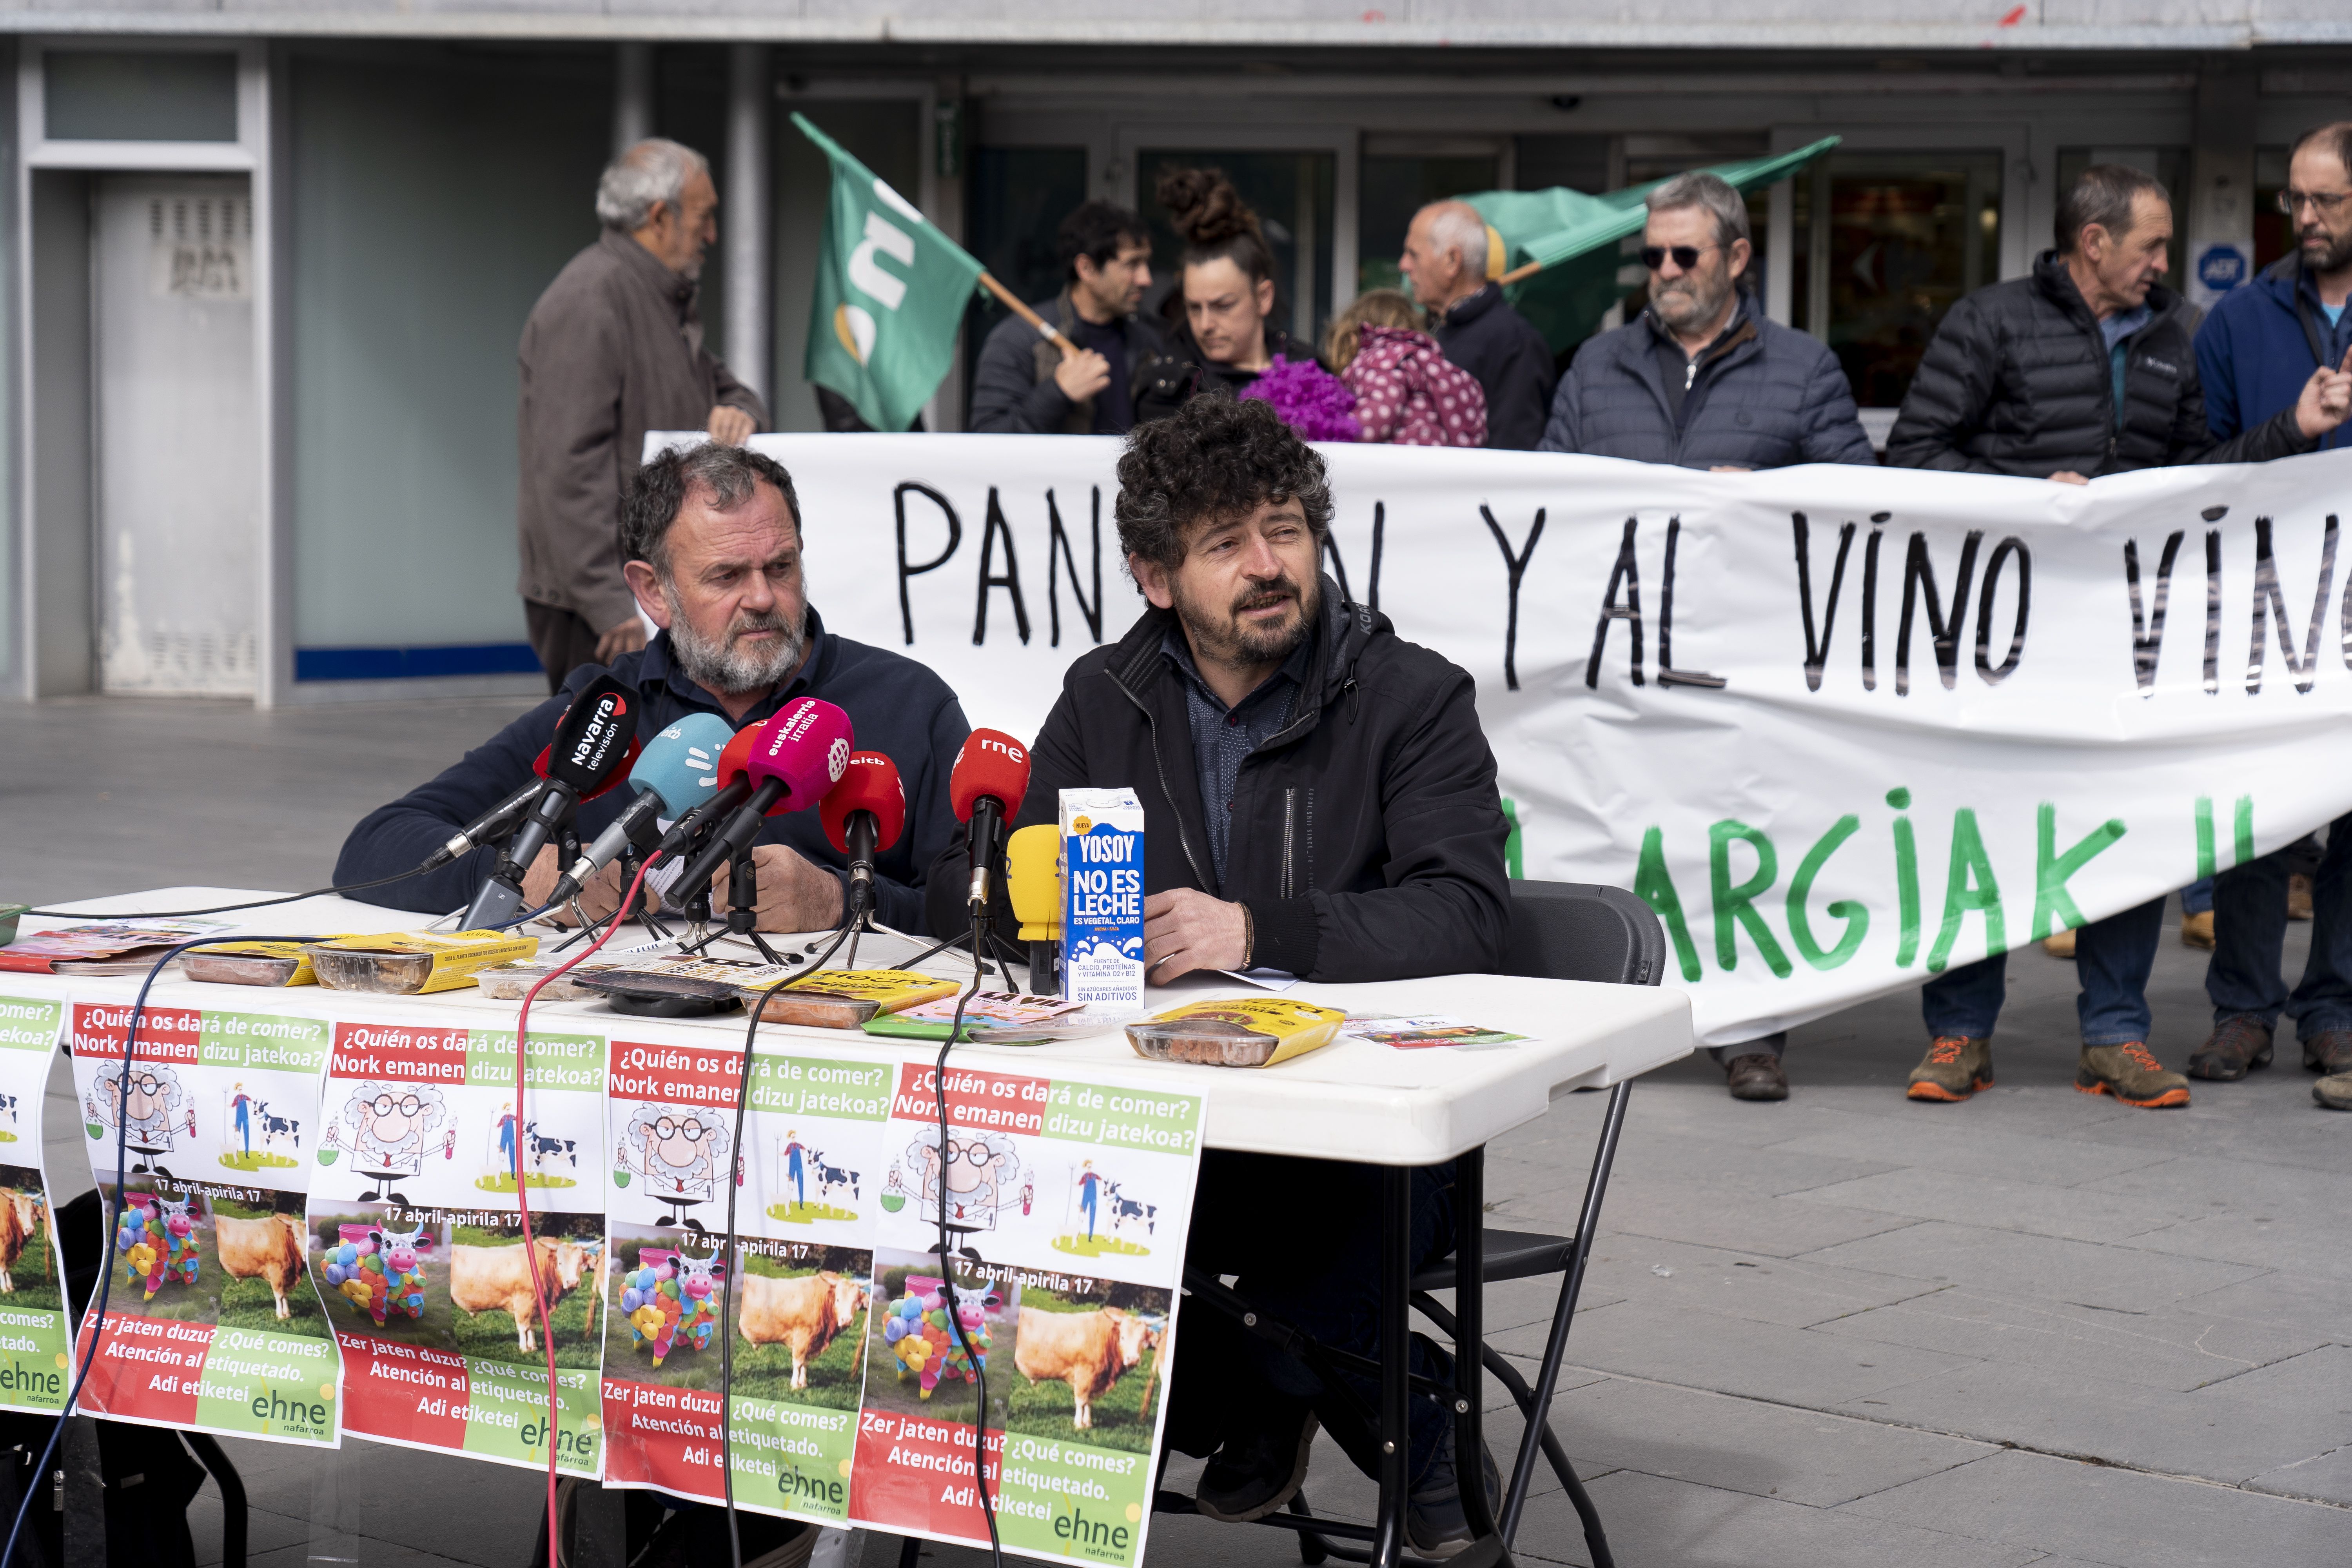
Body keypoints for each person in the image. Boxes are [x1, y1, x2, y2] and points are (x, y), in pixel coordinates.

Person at [925, 395, 1510, 1555]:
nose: (1265, 565)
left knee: (1292, 1241)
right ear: (1154, 576)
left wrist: (1256, 927)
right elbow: (977, 884)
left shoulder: (1412, 696)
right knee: (1004, 1207)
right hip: (1165, 1111)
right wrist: (1053, 919)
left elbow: (1465, 913)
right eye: (1224, 543)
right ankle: (1388, 1400)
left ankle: (1265, 1390)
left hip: (1370, 1134)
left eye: (1284, 530)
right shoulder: (1105, 693)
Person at [1886, 163, 2352, 1110]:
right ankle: (1959, 1030)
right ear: (2093, 243)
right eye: (2150, 245)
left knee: (2123, 819)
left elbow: (2201, 481)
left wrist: (2290, 433)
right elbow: (1914, 455)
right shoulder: (1990, 321)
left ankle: (2116, 1032)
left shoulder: (2176, 336)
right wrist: (2026, 502)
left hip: (2125, 642)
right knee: (1983, 818)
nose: (2163, 263)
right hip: (2002, 637)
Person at [337, 443, 969, 936]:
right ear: (653, 591)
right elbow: (376, 849)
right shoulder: (607, 707)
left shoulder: (907, 702)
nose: (761, 598)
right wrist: (522, 874)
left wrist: (845, 900)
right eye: (725, 576)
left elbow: (985, 909)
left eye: (781, 567)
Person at [2186, 123, 2352, 1093]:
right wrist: (2291, 430)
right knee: (2251, 822)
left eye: (2326, 200)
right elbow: (2192, 469)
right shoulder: (2237, 319)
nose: (2304, 218)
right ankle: (2242, 1009)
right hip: (2262, 617)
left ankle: (2333, 1009)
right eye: (2296, 198)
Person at [517, 138, 766, 693]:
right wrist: (612, 604)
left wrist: (739, 413)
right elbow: (565, 472)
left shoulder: (654, 297)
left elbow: (735, 390)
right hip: (606, 613)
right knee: (605, 770)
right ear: (659, 218)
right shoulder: (591, 300)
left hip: (641, 595)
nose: (712, 236)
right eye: (704, 218)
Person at [1539, 171, 1877, 472]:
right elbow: (1548, 492)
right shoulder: (1593, 365)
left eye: (1686, 255)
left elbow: (1859, 500)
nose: (1667, 271)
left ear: (1736, 259)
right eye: (1654, 256)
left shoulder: (1806, 369)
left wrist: (1766, 499)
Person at [969, 199, 1175, 435]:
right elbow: (988, 438)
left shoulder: (1149, 341)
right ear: (1086, 268)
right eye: (1132, 264)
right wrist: (1058, 393)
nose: (1146, 279)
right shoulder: (1020, 338)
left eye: (1146, 263)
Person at [1142, 169, 1307, 417]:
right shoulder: (1171, 390)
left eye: (1223, 306)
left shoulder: (1308, 370)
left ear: (1264, 297)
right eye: (1194, 308)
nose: (1205, 325)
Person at [1399, 199, 1556, 450]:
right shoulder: (1432, 329)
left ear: (1452, 261)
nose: (1404, 265)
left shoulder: (1514, 342)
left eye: (1413, 254)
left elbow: (1512, 454)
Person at [1325, 289, 1487, 448]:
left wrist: (1331, 430)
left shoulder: (1380, 360)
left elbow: (1377, 418)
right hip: (1435, 462)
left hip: (1403, 465)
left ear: (1352, 337)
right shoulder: (1422, 361)